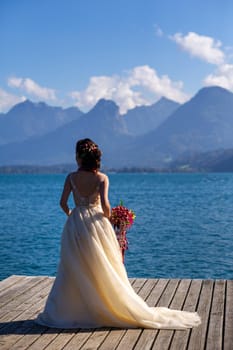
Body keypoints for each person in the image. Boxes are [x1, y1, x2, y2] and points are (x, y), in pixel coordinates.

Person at [35, 138, 201, 329]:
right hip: (96, 223)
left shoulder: (71, 177)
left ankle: (72, 310)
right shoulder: (102, 178)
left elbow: (62, 202)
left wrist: (71, 214)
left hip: (76, 224)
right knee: (103, 264)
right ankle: (105, 303)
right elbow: (105, 205)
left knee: (73, 265)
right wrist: (110, 218)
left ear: (78, 157)